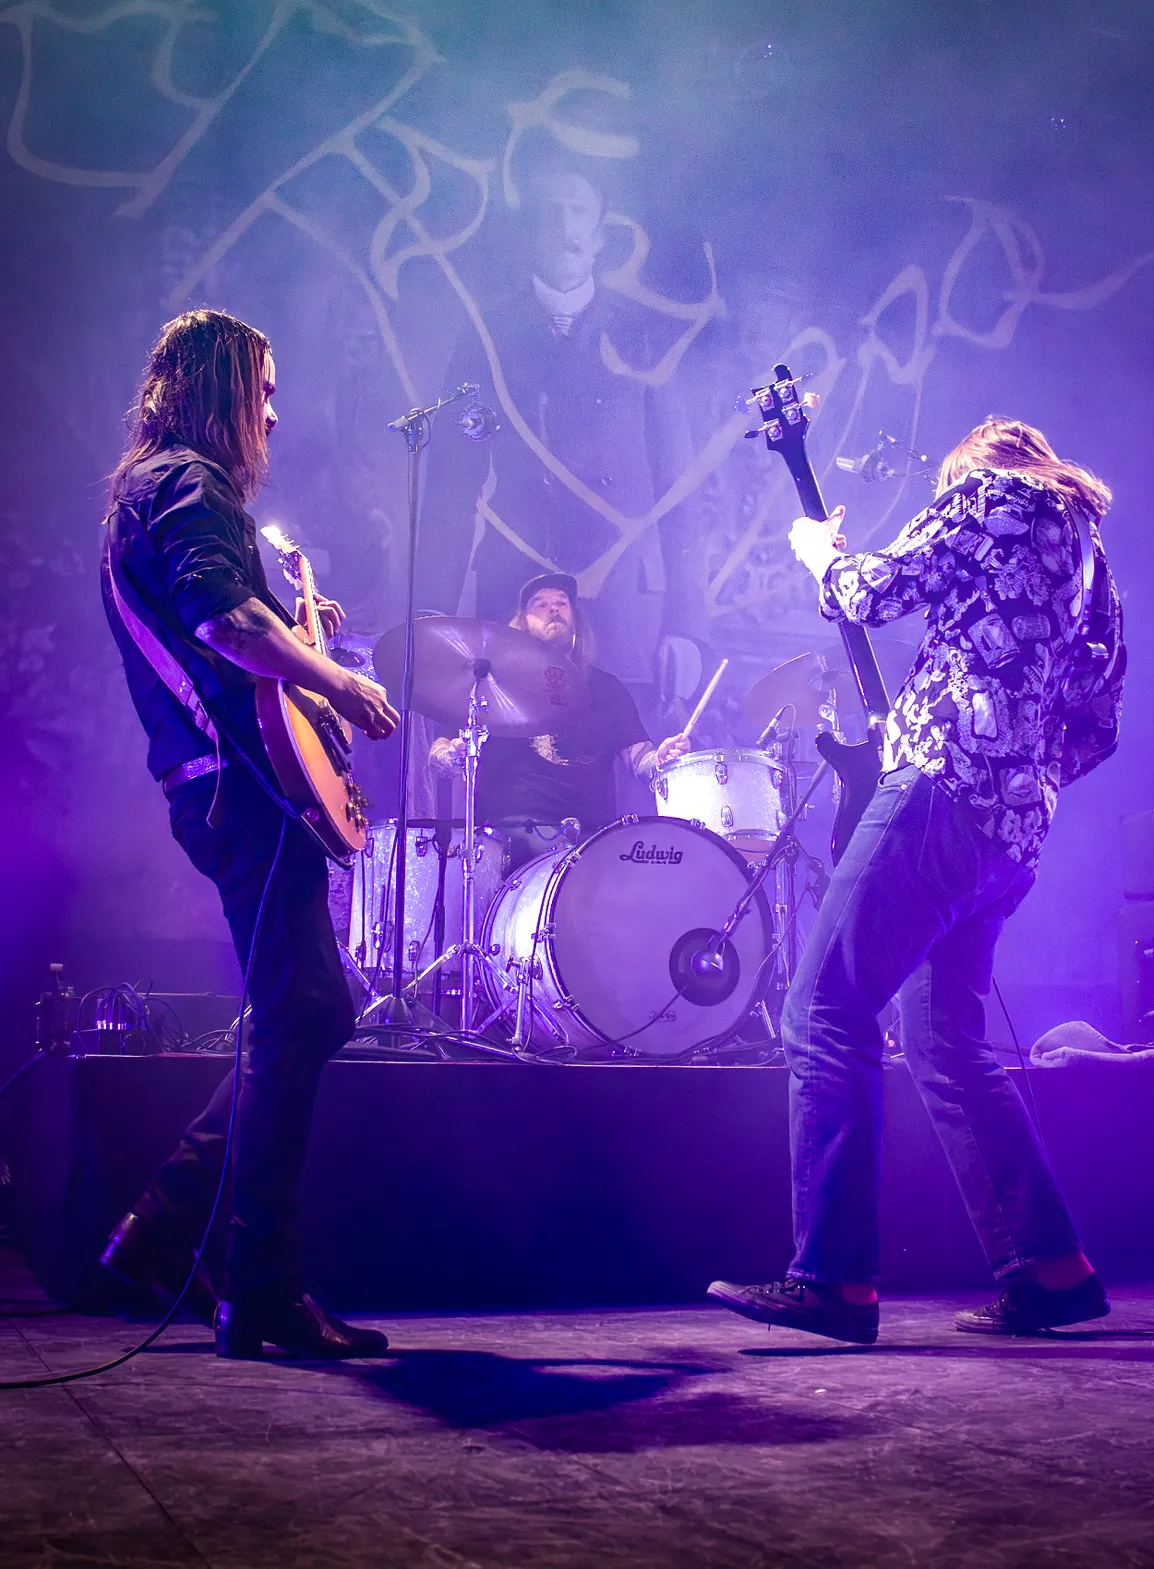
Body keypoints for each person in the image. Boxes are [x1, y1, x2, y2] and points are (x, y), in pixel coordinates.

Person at [708, 418, 1126, 1344]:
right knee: (945, 1042)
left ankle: (834, 1280)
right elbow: (1101, 721)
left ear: (975, 465)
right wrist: (1023, 775)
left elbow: (869, 590)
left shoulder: (989, 494)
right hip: (1013, 830)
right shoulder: (1091, 561)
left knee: (823, 1008)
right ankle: (1053, 1270)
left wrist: (820, 551)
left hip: (940, 792)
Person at [98, 310, 401, 1360]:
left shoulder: (160, 488)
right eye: (262, 390)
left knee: (303, 1011)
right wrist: (340, 683)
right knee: (303, 1010)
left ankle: (161, 1233)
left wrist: (302, 636)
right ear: (218, 385)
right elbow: (224, 622)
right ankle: (257, 1289)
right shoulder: (190, 483)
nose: (274, 413)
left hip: (225, 786)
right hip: (241, 789)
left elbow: (241, 624)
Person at [417, 162, 705, 689]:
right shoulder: (487, 336)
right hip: (516, 592)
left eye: (578, 213)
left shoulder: (643, 336)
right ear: (528, 233)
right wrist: (432, 618)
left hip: (619, 601)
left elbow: (679, 491)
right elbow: (450, 488)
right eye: (550, 214)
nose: (565, 228)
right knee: (511, 738)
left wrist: (686, 628)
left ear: (599, 237)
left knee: (616, 737)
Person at [429, 573, 690, 867]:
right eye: (540, 604)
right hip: (508, 840)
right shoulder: (491, 684)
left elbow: (638, 756)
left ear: (576, 619)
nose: (553, 609)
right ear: (522, 623)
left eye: (562, 603)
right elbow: (440, 749)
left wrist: (660, 759)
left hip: (590, 842)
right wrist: (451, 757)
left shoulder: (607, 688)